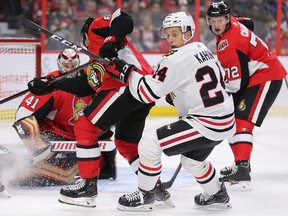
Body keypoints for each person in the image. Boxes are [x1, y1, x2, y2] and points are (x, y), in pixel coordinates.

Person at [28, 9, 171, 208]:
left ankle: (87, 187)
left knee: (85, 126)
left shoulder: (96, 30)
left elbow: (124, 17)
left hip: (129, 83)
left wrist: (112, 38)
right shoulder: (93, 63)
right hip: (140, 92)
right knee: (125, 143)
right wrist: (51, 84)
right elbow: (84, 85)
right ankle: (153, 186)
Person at [103, 11, 236, 211]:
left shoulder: (175, 59)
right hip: (225, 120)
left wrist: (126, 71)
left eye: (175, 33)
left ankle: (145, 194)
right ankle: (217, 193)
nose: (170, 39)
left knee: (149, 143)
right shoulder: (201, 48)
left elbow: (146, 92)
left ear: (188, 32)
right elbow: (192, 83)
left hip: (207, 122)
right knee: (192, 160)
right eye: (168, 34)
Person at [206, 1, 287, 190]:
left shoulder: (229, 44)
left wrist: (227, 103)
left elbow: (238, 84)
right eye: (213, 20)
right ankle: (240, 165)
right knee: (233, 119)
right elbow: (248, 22)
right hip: (258, 75)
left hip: (266, 75)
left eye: (220, 20)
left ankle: (242, 169)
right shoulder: (233, 23)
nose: (216, 24)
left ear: (227, 19)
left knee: (241, 119)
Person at [13, 48, 116, 186]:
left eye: (73, 66)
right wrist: (38, 146)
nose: (69, 70)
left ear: (79, 64)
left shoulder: (90, 80)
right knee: (65, 171)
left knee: (104, 167)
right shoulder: (50, 84)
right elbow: (23, 115)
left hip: (82, 136)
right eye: (66, 66)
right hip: (55, 138)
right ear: (59, 64)